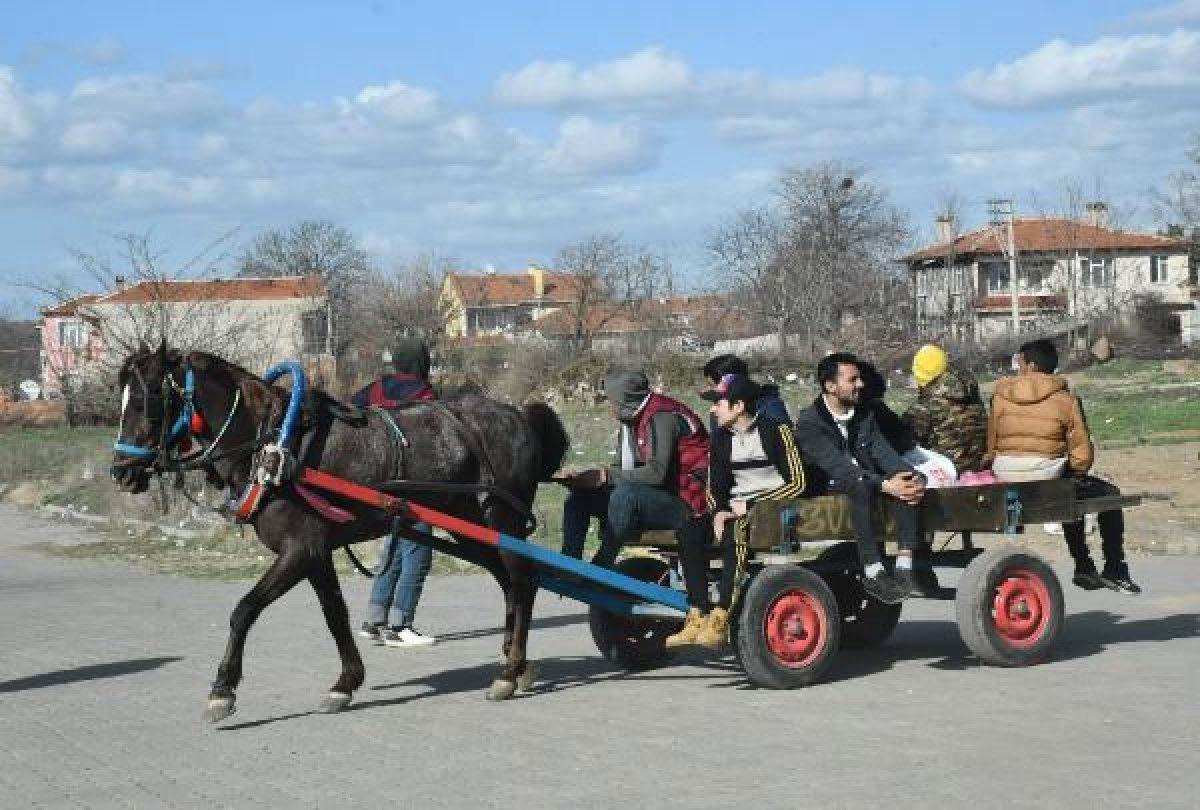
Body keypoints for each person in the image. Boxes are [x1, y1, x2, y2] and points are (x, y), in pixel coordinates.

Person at [985, 339, 1140, 594]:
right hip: (1046, 473)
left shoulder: (999, 396)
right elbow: (1081, 450)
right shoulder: (1066, 399)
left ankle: (1086, 567)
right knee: (1104, 493)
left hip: (1004, 469)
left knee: (1069, 486)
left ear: (1031, 365)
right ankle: (1109, 567)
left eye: (1020, 362)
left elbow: (991, 444)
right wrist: (1077, 472)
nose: (1018, 367)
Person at [666, 374, 806, 649]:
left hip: (772, 507)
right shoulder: (720, 438)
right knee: (689, 531)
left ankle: (721, 616)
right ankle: (698, 613)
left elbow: (798, 482)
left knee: (736, 529)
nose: (713, 409)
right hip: (734, 508)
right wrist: (717, 511)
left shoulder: (776, 431)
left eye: (719, 402)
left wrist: (752, 505)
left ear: (739, 406)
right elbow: (714, 485)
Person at [794, 352, 935, 602]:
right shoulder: (809, 423)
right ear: (831, 386)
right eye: (853, 379)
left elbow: (884, 454)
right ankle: (872, 569)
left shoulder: (863, 415)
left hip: (866, 481)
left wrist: (913, 476)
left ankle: (904, 566)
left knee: (904, 479)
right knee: (860, 484)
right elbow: (839, 468)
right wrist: (884, 484)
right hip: (829, 484)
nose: (861, 384)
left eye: (859, 379)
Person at [560, 368, 709, 568]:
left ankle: (601, 565)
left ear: (624, 399)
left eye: (611, 400)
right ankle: (568, 565)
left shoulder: (661, 417)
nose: (609, 406)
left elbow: (656, 473)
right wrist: (588, 482)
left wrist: (605, 477)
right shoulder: (630, 421)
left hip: (686, 503)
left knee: (626, 495)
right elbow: (621, 470)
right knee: (579, 498)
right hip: (651, 497)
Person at [353, 339, 439, 648]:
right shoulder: (425, 393)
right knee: (417, 550)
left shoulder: (375, 388)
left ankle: (374, 620)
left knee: (393, 548)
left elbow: (351, 413)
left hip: (378, 483)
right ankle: (401, 624)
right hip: (413, 482)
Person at [901, 344, 988, 477]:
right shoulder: (973, 396)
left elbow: (901, 443)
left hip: (942, 478)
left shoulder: (924, 407)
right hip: (978, 474)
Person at [701, 354, 790, 424]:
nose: (709, 389)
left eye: (712, 385)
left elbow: (781, 440)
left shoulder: (769, 405)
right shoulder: (720, 410)